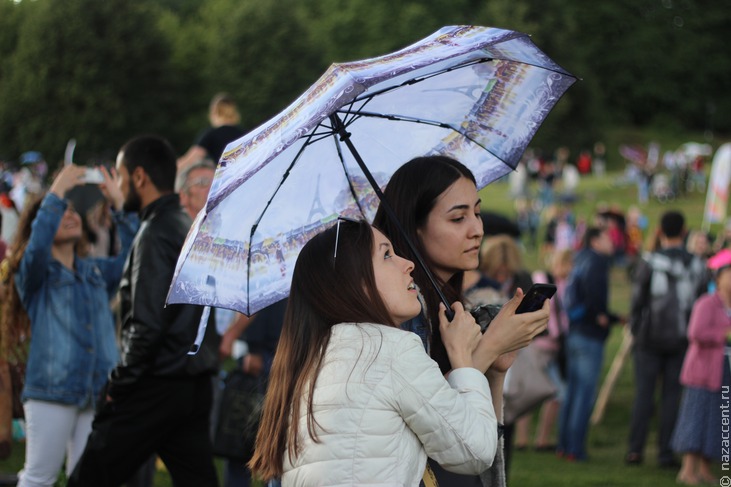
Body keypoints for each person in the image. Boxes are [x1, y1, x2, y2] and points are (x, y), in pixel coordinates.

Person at [249, 219, 500, 485]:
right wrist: (463, 360)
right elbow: (474, 450)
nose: (408, 263)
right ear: (355, 282)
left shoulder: (309, 359)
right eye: (387, 255)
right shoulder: (390, 348)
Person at [373, 155, 550, 487]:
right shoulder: (402, 312)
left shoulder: (452, 306)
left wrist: (496, 368)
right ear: (414, 228)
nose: (478, 230)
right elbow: (424, 416)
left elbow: (478, 428)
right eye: (458, 218)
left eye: (478, 212)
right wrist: (489, 346)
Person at [68, 135, 220, 487]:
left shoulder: (155, 233)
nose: (119, 187)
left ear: (138, 177)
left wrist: (117, 384)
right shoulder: (185, 226)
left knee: (87, 479)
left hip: (155, 384)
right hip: (192, 383)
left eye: (120, 177)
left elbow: (147, 326)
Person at [1, 164, 136, 487]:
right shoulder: (34, 274)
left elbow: (136, 258)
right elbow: (36, 248)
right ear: (43, 226)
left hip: (97, 391)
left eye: (73, 211)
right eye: (62, 212)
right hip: (52, 391)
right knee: (38, 478)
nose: (71, 215)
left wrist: (120, 206)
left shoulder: (95, 272)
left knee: (89, 480)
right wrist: (57, 191)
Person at [625, 211, 706, 468]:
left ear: (660, 230)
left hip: (649, 339)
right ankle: (666, 452)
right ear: (684, 232)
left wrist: (636, 330)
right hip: (683, 340)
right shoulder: (697, 265)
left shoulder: (649, 262)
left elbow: (636, 301)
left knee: (643, 396)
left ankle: (635, 450)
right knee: (673, 397)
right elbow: (702, 302)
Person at [558, 226, 621, 461]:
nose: (612, 241)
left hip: (574, 332)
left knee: (572, 392)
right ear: (595, 240)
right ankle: (575, 449)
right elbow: (594, 295)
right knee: (584, 394)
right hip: (589, 334)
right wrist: (602, 317)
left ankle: (563, 445)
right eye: (608, 237)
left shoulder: (579, 258)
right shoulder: (597, 261)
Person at [671, 249, 731, 485]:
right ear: (718, 278)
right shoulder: (707, 303)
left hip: (723, 371)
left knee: (717, 420)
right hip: (703, 372)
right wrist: (723, 334)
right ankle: (687, 470)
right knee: (696, 419)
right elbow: (695, 332)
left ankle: (705, 469)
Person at [514, 248, 573, 452]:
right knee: (529, 392)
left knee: (558, 394)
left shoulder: (568, 285)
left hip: (555, 348)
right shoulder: (542, 279)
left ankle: (542, 439)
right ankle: (522, 439)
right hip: (536, 346)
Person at [177, 93, 246, 170]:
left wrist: (169, 169)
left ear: (214, 112)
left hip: (223, 178)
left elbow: (191, 158)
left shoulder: (211, 134)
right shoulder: (243, 133)